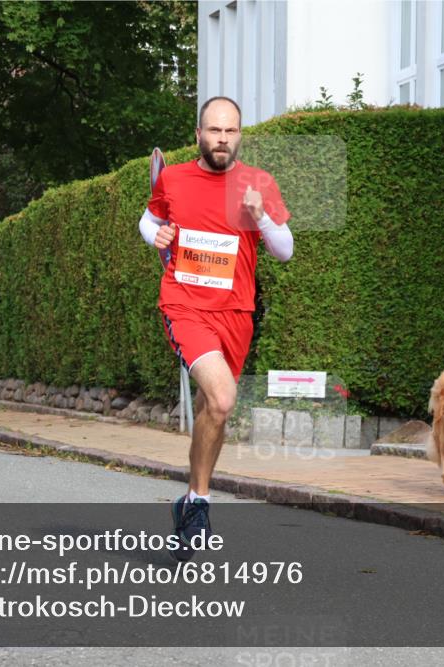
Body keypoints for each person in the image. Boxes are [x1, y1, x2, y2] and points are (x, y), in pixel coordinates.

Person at [138, 96, 293, 559]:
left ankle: (187, 501)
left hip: (236, 314)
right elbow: (149, 221)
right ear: (198, 134)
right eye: (214, 130)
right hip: (185, 307)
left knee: (213, 410)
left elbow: (284, 250)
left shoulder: (258, 184)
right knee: (224, 398)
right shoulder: (175, 178)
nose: (222, 139)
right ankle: (202, 503)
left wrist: (260, 215)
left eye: (230, 131)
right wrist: (157, 236)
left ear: (239, 135)